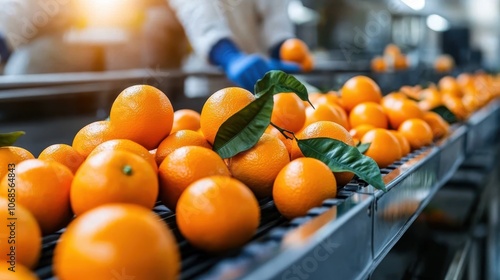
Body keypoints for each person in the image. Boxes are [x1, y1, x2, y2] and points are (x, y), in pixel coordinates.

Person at [168, 0, 310, 96]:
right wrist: (227, 55)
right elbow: (196, 10)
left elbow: (275, 12)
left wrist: (281, 47)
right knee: (210, 131)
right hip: (212, 83)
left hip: (263, 75)